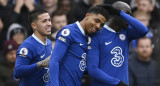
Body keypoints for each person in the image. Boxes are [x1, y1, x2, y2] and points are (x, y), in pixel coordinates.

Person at [87, 1, 148, 86]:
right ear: (113, 16)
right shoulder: (98, 34)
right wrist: (117, 83)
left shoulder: (126, 32)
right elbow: (92, 69)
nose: (128, 18)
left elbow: (143, 30)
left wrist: (121, 13)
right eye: (125, 14)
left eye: (129, 15)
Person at [47, 5, 110, 86]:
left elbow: (78, 66)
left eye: (101, 25)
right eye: (97, 20)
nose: (98, 26)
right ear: (87, 15)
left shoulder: (90, 38)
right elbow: (55, 60)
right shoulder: (69, 32)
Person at [14, 9, 52, 86]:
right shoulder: (27, 45)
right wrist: (40, 64)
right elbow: (17, 72)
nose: (49, 24)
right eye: (44, 21)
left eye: (49, 20)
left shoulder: (49, 42)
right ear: (34, 26)